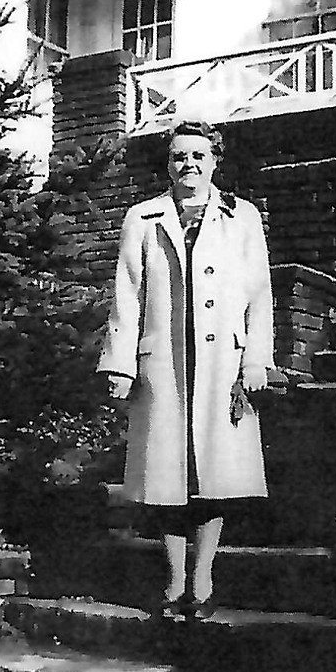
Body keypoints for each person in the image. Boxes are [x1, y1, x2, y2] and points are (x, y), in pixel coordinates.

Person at [98, 120, 275, 620]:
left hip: (223, 363)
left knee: (214, 475)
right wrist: (121, 363)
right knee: (166, 479)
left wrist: (257, 356)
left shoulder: (240, 217)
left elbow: (259, 294)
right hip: (166, 362)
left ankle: (204, 577)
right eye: (179, 157)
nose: (188, 165)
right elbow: (127, 296)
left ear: (215, 161)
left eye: (198, 156)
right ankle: (174, 581)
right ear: (168, 164)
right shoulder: (144, 218)